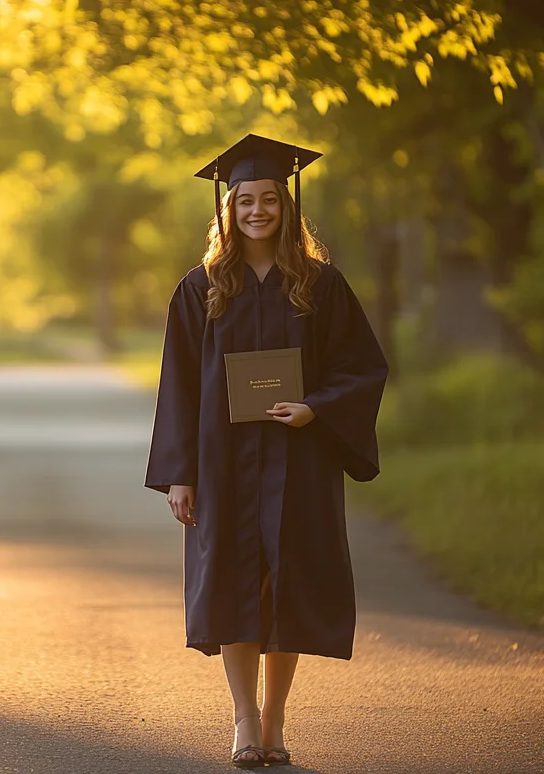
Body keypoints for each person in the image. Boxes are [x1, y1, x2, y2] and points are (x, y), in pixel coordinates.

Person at [145, 134, 388, 768]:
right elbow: (178, 385)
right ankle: (244, 722)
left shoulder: (320, 285)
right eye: (245, 199)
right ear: (227, 209)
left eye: (269, 198)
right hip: (223, 459)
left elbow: (361, 368)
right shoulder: (200, 289)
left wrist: (316, 408)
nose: (257, 210)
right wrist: (180, 473)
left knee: (289, 586)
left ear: (287, 204)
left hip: (298, 457)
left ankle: (277, 721)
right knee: (234, 584)